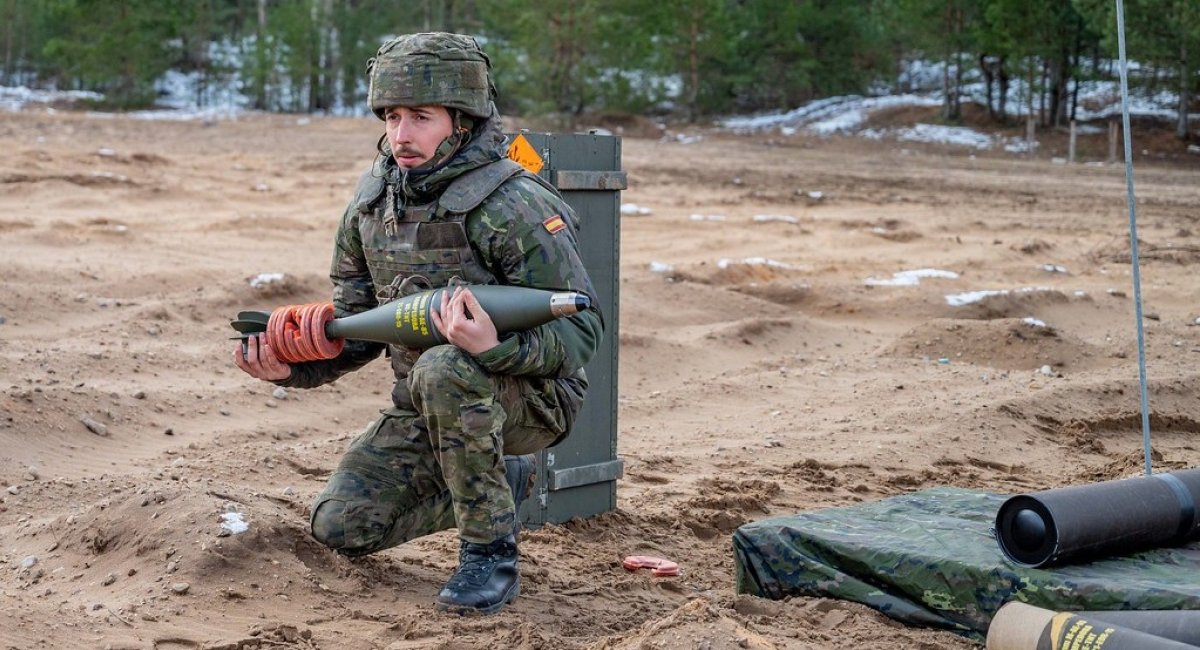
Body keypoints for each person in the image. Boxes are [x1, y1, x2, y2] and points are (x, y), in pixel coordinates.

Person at [232, 32, 602, 615]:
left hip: (533, 399)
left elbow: (583, 332)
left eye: (420, 118)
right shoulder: (373, 206)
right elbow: (362, 328)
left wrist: (494, 348)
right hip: (429, 402)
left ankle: (489, 555)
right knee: (342, 528)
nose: (401, 134)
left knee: (446, 366)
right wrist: (291, 368)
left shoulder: (514, 204)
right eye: (392, 116)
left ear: (461, 120)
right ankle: (503, 480)